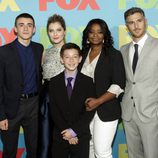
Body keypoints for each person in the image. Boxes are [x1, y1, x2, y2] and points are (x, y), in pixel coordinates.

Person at [79, 19, 125, 158]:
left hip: (106, 110)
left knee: (102, 152)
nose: (95, 35)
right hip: (85, 110)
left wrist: (97, 101)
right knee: (89, 149)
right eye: (91, 32)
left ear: (105, 35)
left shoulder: (113, 55)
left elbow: (118, 85)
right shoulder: (83, 53)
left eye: (100, 32)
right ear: (87, 34)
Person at [0, 13, 43, 158]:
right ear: (15, 29)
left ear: (34, 29)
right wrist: (1, 115)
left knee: (34, 149)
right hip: (11, 107)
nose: (26, 28)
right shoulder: (3, 52)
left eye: (29, 25)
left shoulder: (39, 49)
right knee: (10, 150)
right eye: (21, 25)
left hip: (34, 106)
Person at [120, 7, 158, 158]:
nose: (136, 26)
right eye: (131, 23)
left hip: (151, 113)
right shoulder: (123, 50)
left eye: (139, 21)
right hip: (128, 113)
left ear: (145, 21)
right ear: (127, 26)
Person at [49, 42, 95, 158]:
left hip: (80, 136)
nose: (71, 60)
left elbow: (89, 111)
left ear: (80, 59)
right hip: (60, 134)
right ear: (61, 60)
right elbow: (54, 110)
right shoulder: (54, 82)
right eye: (67, 57)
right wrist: (67, 132)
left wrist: (74, 131)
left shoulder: (88, 82)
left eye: (75, 57)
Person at [38, 14, 66, 158]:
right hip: (47, 98)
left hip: (66, 97)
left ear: (64, 31)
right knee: (45, 137)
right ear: (48, 33)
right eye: (51, 30)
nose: (55, 34)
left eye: (58, 30)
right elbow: (42, 78)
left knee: (64, 139)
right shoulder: (45, 52)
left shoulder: (72, 51)